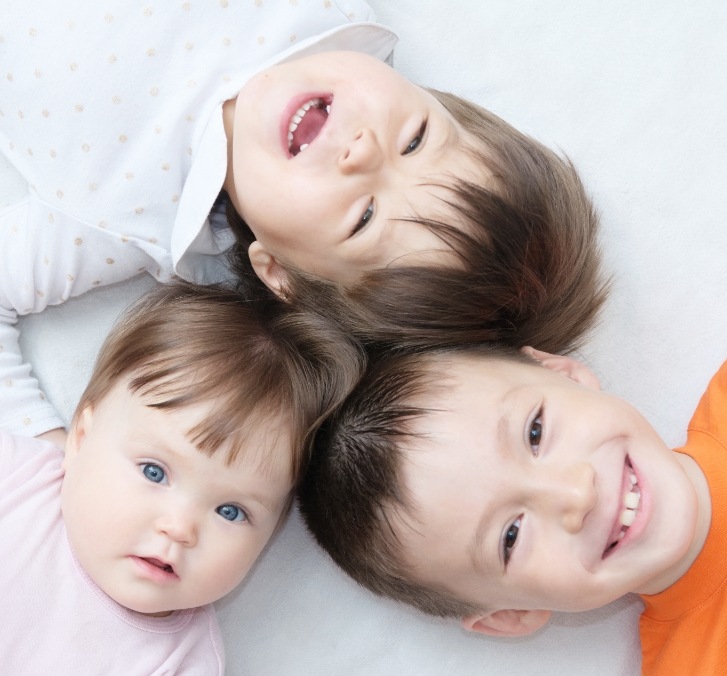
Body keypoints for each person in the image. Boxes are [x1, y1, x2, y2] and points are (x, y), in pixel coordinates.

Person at [0, 0, 607, 446]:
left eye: (364, 217)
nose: (363, 151)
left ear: (279, 272)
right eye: (416, 138)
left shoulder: (131, 223)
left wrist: (47, 450)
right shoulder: (327, 16)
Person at [298, 343, 723, 676]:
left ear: (562, 373)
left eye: (535, 433)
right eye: (511, 536)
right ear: (509, 614)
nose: (576, 494)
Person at [0, 280, 363, 676]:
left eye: (231, 511)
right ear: (81, 438)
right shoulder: (16, 478)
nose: (180, 527)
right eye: (155, 472)